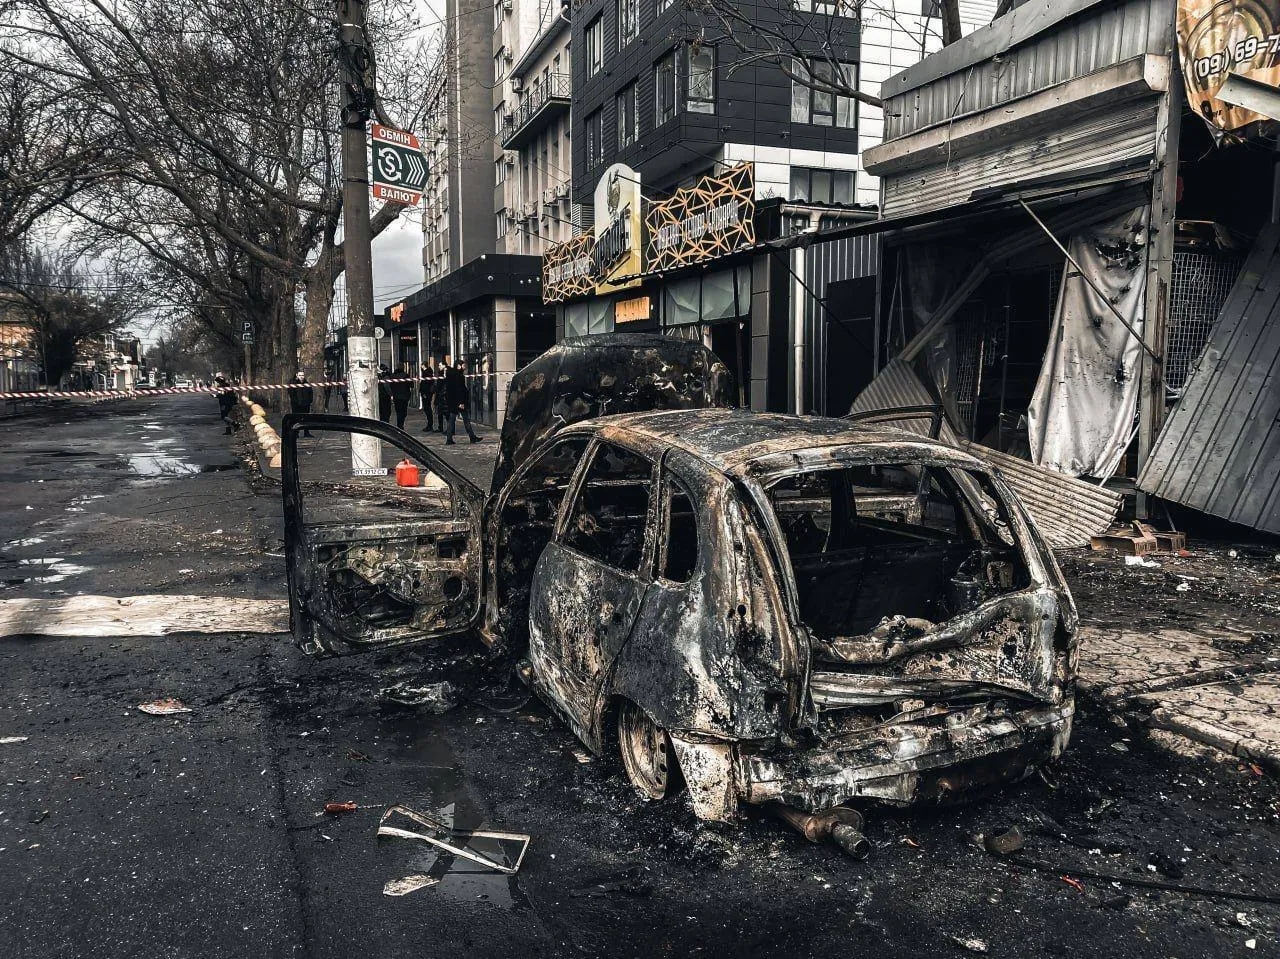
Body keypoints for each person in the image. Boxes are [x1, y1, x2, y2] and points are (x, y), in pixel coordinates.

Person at [444, 357, 480, 445]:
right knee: (465, 419)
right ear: (458, 366)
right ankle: (471, 437)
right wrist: (461, 402)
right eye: (463, 365)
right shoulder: (458, 375)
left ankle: (449, 438)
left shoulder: (451, 374)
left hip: (452, 401)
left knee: (452, 419)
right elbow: (459, 390)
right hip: (458, 401)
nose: (464, 367)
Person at [289, 371, 314, 437]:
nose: (301, 377)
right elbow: (291, 394)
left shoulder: (306, 383)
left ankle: (306, 432)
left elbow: (310, 392)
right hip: (296, 405)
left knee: (306, 418)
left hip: (305, 404)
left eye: (302, 375)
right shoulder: (293, 383)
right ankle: (296, 433)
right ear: (297, 375)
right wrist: (295, 402)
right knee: (296, 419)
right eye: (300, 375)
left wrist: (309, 401)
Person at [390, 361, 413, 429]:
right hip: (404, 397)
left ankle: (399, 425)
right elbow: (412, 385)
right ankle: (401, 425)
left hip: (397, 397)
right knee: (403, 412)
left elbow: (391, 386)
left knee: (398, 412)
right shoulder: (406, 375)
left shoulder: (393, 375)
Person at [419, 361, 437, 434]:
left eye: (421, 365)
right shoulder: (428, 372)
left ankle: (430, 425)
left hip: (426, 393)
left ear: (423, 365)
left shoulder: (426, 373)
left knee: (427, 409)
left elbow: (425, 385)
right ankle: (429, 424)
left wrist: (424, 393)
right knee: (427, 409)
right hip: (427, 393)